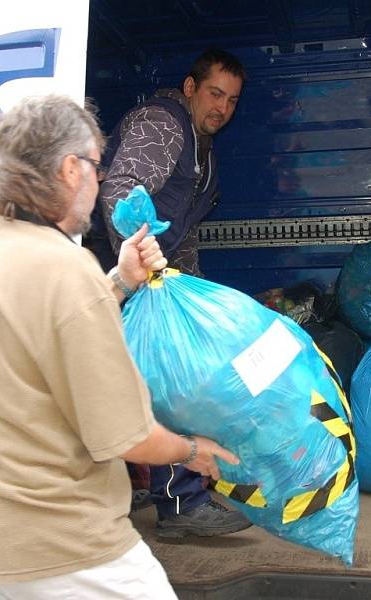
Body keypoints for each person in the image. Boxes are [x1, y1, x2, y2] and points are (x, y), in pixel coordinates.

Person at [0, 94, 241, 600]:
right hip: (64, 548)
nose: (101, 182)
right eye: (98, 166)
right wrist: (193, 451)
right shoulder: (63, 267)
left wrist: (119, 279)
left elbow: (45, 330)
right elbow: (126, 437)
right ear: (71, 169)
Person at [84, 48, 250, 539]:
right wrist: (141, 268)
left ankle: (134, 483)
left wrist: (190, 291)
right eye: (215, 93)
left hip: (146, 274)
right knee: (172, 379)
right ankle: (182, 504)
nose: (222, 107)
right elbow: (121, 189)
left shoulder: (203, 151)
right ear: (190, 88)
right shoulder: (163, 123)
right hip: (116, 271)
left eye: (233, 101)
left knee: (130, 383)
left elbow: (186, 233)